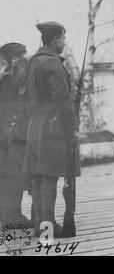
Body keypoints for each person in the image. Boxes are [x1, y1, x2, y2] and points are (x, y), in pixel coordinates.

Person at [24, 21, 79, 237]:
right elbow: (63, 101)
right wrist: (72, 128)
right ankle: (48, 224)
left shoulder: (33, 62)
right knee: (49, 176)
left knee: (38, 176)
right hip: (52, 127)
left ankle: (40, 223)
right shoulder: (53, 64)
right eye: (63, 39)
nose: (64, 44)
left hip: (35, 125)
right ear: (55, 39)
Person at [0, 43, 32, 228]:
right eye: (22, 55)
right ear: (14, 58)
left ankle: (11, 214)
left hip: (11, 135)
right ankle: (12, 217)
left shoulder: (12, 78)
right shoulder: (8, 80)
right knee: (13, 176)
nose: (25, 59)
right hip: (10, 136)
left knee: (13, 175)